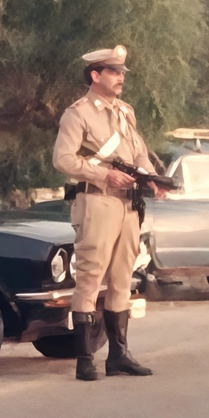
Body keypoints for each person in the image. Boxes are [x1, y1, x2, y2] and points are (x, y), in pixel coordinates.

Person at [52, 45, 166, 381]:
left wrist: (152, 180)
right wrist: (103, 174)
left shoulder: (126, 113)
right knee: (89, 278)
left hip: (127, 204)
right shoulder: (78, 114)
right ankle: (85, 358)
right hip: (97, 201)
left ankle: (118, 355)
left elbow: (139, 154)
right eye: (114, 72)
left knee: (121, 278)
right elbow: (63, 159)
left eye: (121, 73)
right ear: (95, 75)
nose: (120, 79)